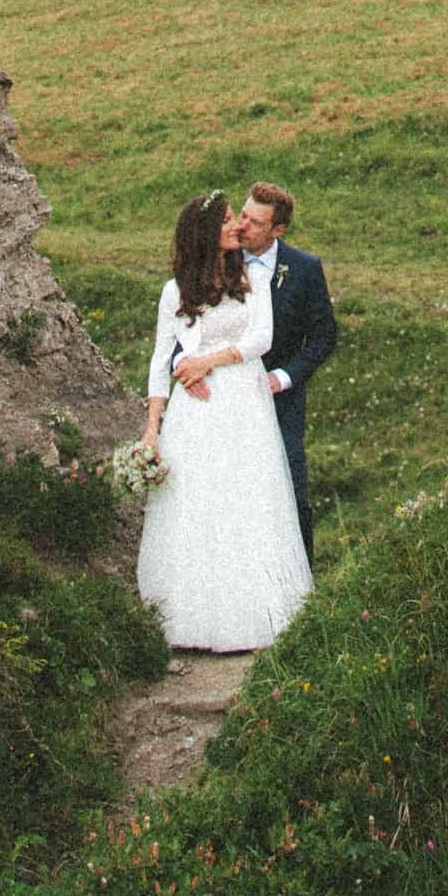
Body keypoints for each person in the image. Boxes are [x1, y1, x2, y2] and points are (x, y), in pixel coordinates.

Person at [136, 191, 311, 653]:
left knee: (248, 502)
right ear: (204, 232)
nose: (238, 225)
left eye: (239, 218)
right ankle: (194, 620)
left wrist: (205, 363)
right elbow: (160, 359)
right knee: (198, 505)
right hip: (197, 411)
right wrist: (152, 428)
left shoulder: (251, 278)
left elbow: (261, 338)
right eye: (229, 219)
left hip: (243, 403)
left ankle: (256, 617)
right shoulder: (175, 290)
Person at [183, 181, 337, 563]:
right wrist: (185, 366)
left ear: (278, 230)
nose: (242, 226)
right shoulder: (220, 261)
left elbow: (323, 337)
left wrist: (282, 378)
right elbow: (184, 326)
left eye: (255, 222)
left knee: (288, 488)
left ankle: (301, 583)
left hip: (278, 400)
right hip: (220, 394)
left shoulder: (303, 269)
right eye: (244, 216)